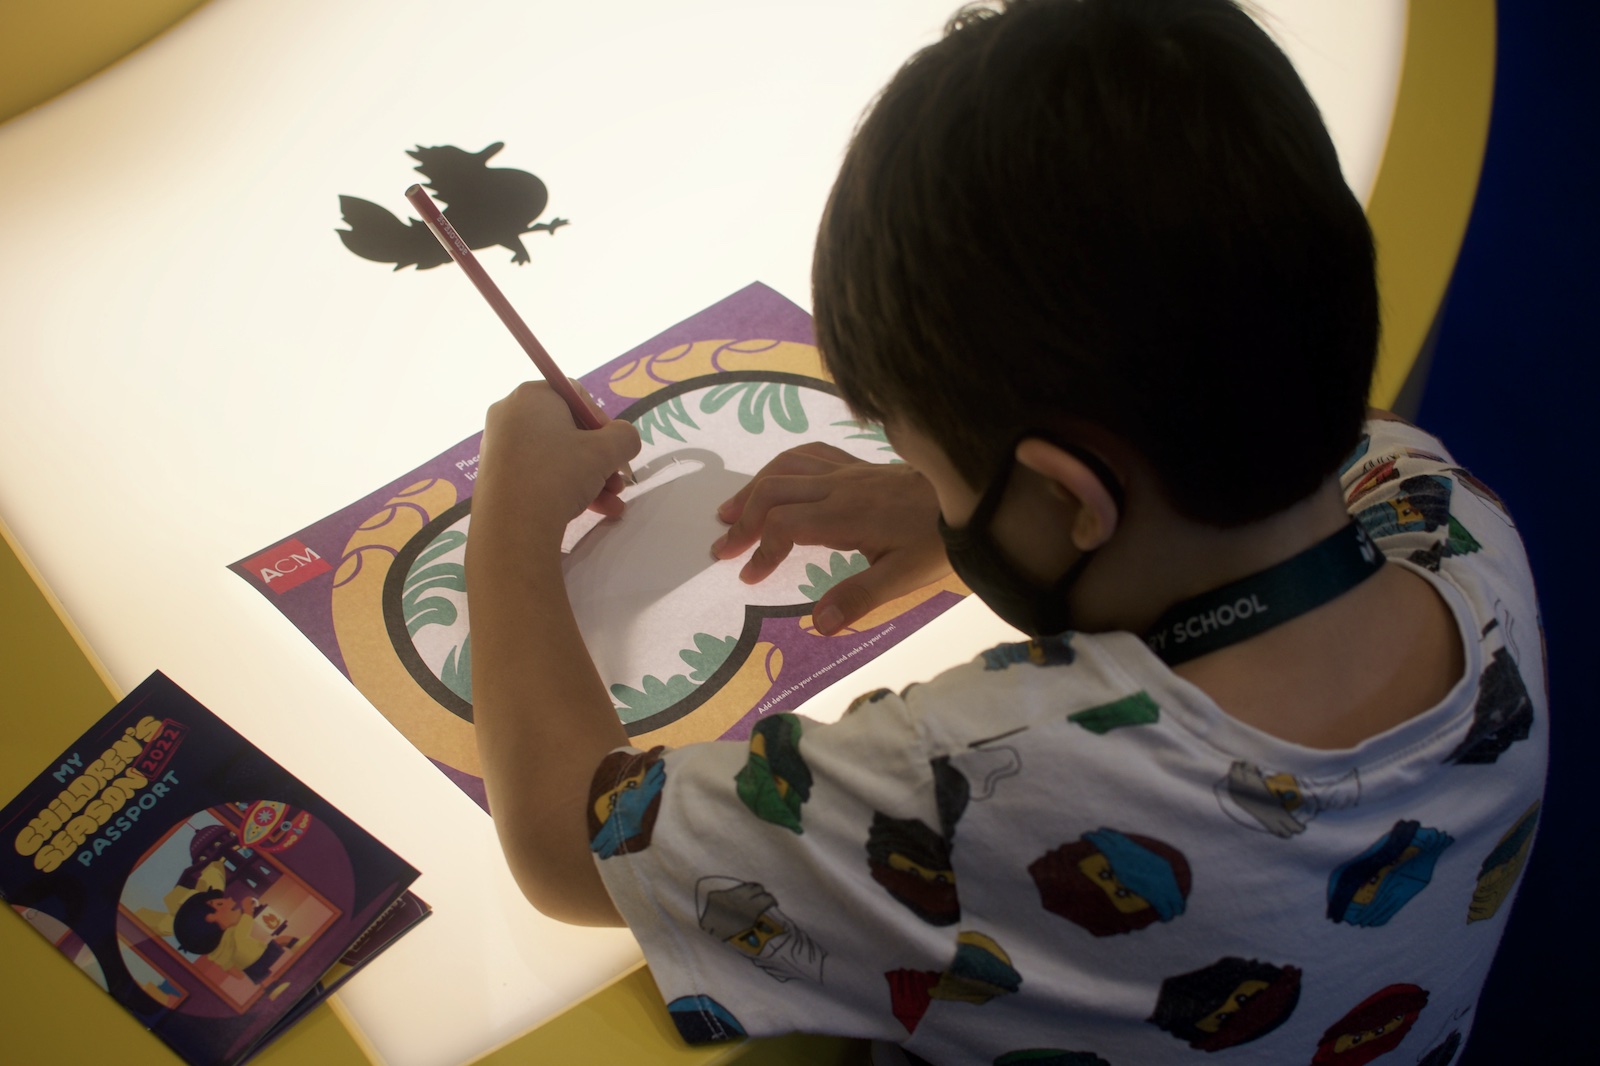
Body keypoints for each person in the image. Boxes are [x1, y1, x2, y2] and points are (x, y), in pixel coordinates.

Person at [464, 1, 1546, 1061]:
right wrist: (977, 517)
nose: (935, 500)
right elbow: (1298, 402)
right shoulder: (1463, 530)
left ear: (1072, 498)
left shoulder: (987, 783)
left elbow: (569, 839)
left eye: (935, 475)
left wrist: (510, 503)